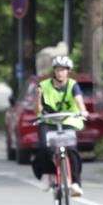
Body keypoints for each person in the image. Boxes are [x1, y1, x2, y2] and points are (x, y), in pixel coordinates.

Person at [32, 55, 88, 196]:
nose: (60, 73)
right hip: (48, 121)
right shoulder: (43, 86)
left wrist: (83, 111)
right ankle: (47, 174)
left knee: (72, 149)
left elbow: (79, 101)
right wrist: (38, 97)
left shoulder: (72, 85)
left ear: (68, 71)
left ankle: (75, 183)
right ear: (54, 71)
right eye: (57, 69)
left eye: (63, 70)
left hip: (68, 121)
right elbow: (37, 110)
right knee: (45, 148)